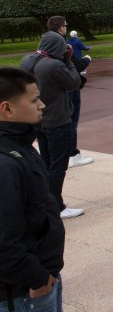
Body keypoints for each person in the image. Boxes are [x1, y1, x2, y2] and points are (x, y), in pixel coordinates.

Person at [0, 68, 65, 312]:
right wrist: (38, 280)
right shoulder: (5, 164)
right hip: (23, 293)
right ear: (7, 109)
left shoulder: (19, 146)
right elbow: (4, 244)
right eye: (34, 100)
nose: (42, 105)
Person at [20, 31, 83, 219]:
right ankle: (57, 206)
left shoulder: (27, 61)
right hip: (57, 120)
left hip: (39, 119)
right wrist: (69, 60)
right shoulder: (54, 65)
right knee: (58, 165)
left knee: (46, 163)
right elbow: (74, 81)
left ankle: (45, 201)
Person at [46, 17, 93, 169]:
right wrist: (87, 60)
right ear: (60, 28)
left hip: (54, 86)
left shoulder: (46, 42)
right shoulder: (62, 45)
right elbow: (76, 65)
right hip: (68, 85)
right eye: (65, 25)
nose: (65, 28)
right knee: (71, 121)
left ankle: (67, 153)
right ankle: (73, 154)